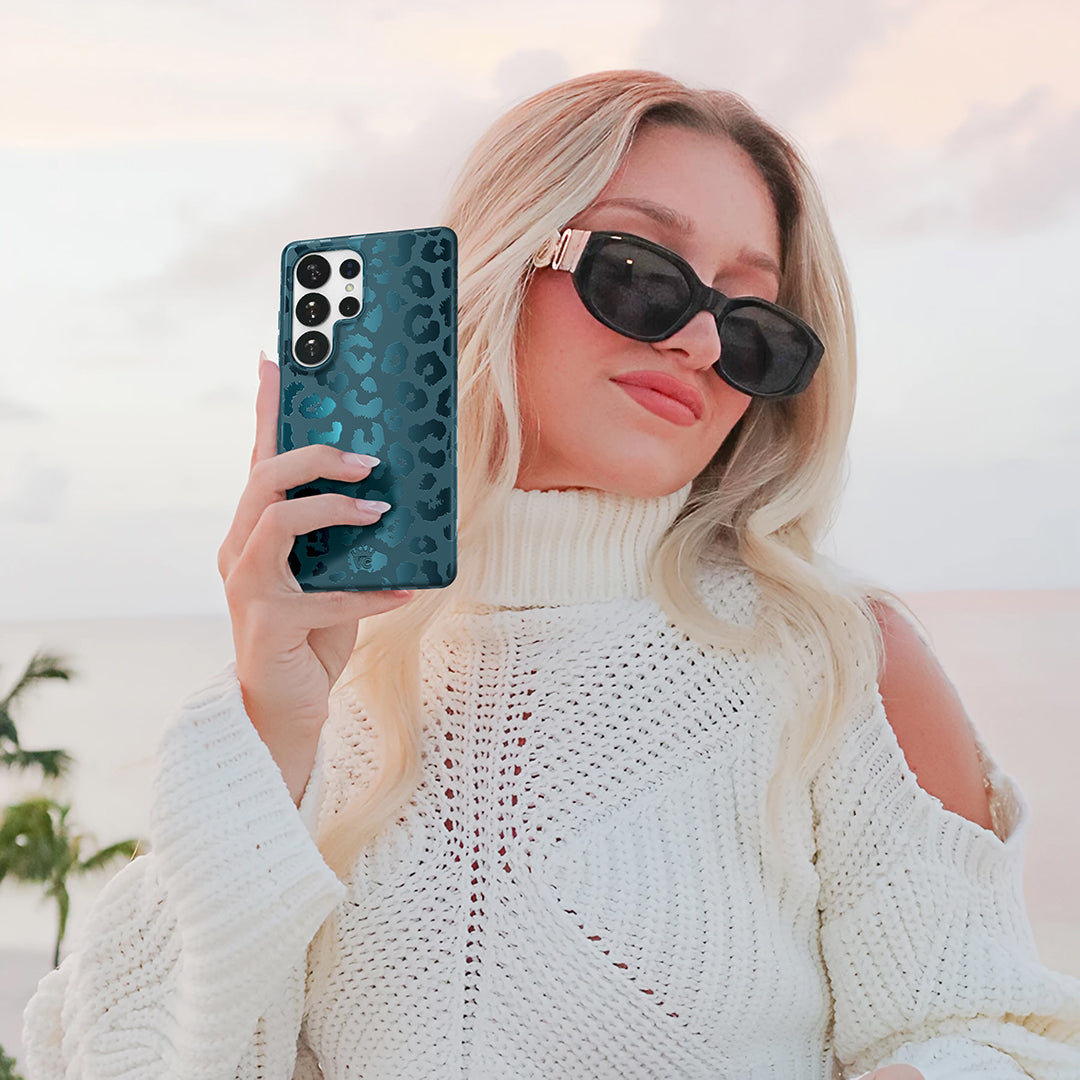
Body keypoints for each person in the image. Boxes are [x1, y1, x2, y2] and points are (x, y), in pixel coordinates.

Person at [21, 69, 1080, 1080]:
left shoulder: (836, 660)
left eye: (753, 324)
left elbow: (995, 1037)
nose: (701, 341)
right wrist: (268, 729)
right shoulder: (325, 676)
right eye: (642, 275)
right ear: (500, 265)